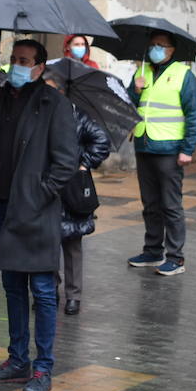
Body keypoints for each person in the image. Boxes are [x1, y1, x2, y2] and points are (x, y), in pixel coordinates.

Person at [0, 40, 79, 391]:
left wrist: (39, 193)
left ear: (39, 67)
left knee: (44, 290)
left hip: (36, 210)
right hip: (2, 205)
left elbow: (66, 162)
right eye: (13, 59)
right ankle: (16, 359)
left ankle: (42, 367)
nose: (17, 65)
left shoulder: (55, 104)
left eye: (24, 61)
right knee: (12, 286)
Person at [126, 30, 196, 276]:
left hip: (170, 149)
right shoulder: (141, 72)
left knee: (171, 205)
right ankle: (152, 251)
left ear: (172, 50)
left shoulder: (183, 75)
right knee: (150, 204)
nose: (155, 49)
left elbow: (194, 114)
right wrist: (134, 91)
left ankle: (176, 257)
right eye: (152, 45)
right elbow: (126, 106)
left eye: (161, 45)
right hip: (144, 144)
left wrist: (187, 149)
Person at [57, 82, 111, 316]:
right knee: (47, 243)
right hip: (48, 184)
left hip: (73, 187)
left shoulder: (79, 115)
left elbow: (102, 141)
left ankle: (73, 296)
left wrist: (83, 164)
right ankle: (47, 291)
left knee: (72, 243)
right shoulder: (41, 114)